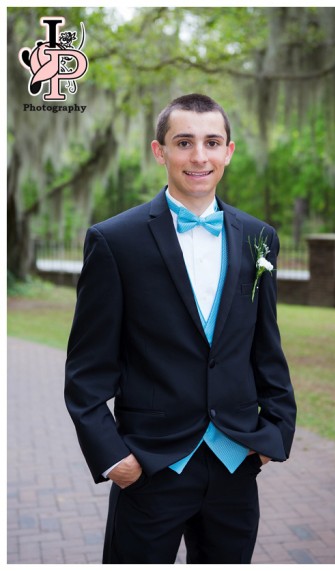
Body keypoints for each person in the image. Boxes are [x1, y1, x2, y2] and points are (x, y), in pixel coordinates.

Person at [64, 93, 297, 563]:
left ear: (228, 151)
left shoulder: (259, 237)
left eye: (212, 142)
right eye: (184, 142)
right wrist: (116, 461)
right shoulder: (115, 241)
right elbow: (87, 373)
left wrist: (275, 431)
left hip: (235, 463)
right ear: (160, 151)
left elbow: (265, 346)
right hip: (149, 467)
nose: (199, 156)